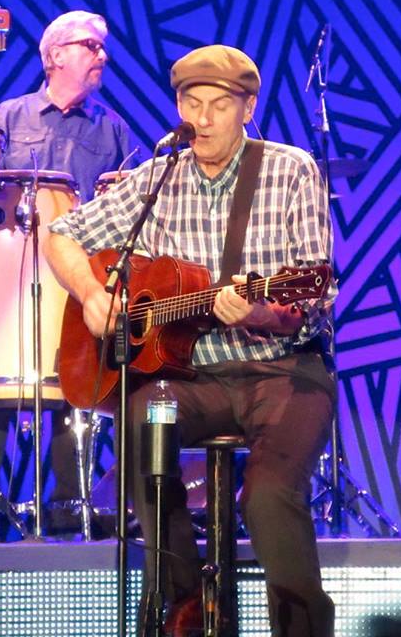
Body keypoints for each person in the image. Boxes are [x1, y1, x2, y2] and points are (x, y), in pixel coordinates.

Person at [45, 45, 336, 635]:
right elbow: (60, 234)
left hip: (283, 373)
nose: (200, 119)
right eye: (190, 103)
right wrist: (93, 295)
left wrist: (259, 310)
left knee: (267, 497)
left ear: (247, 109)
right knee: (141, 429)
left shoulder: (291, 171)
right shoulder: (159, 178)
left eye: (217, 106)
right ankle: (185, 610)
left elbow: (311, 302)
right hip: (191, 379)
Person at [0, 10, 133, 532]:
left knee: (73, 377)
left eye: (103, 47)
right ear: (55, 55)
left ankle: (69, 507)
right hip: (10, 265)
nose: (102, 55)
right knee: (1, 377)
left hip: (77, 267)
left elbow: (125, 205)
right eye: (92, 46)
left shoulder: (112, 128)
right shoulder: (9, 115)